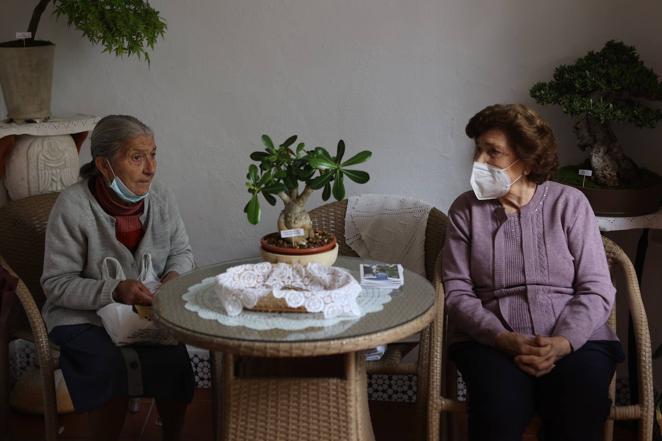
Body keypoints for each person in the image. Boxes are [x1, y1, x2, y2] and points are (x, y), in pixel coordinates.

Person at [443, 104, 624, 441]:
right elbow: (457, 292)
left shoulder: (570, 203)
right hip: (490, 341)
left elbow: (597, 288)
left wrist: (562, 342)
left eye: (492, 152)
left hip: (577, 341)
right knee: (497, 411)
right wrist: (502, 338)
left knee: (579, 408)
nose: (479, 161)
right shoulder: (465, 211)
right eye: (478, 149)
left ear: (526, 160)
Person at [41, 115, 195, 441]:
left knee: (173, 359)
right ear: (104, 165)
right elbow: (56, 284)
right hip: (82, 316)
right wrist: (115, 290)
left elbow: (182, 251)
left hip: (145, 310)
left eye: (153, 154)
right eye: (136, 157)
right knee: (107, 367)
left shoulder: (162, 198)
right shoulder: (72, 206)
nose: (150, 168)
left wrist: (172, 278)